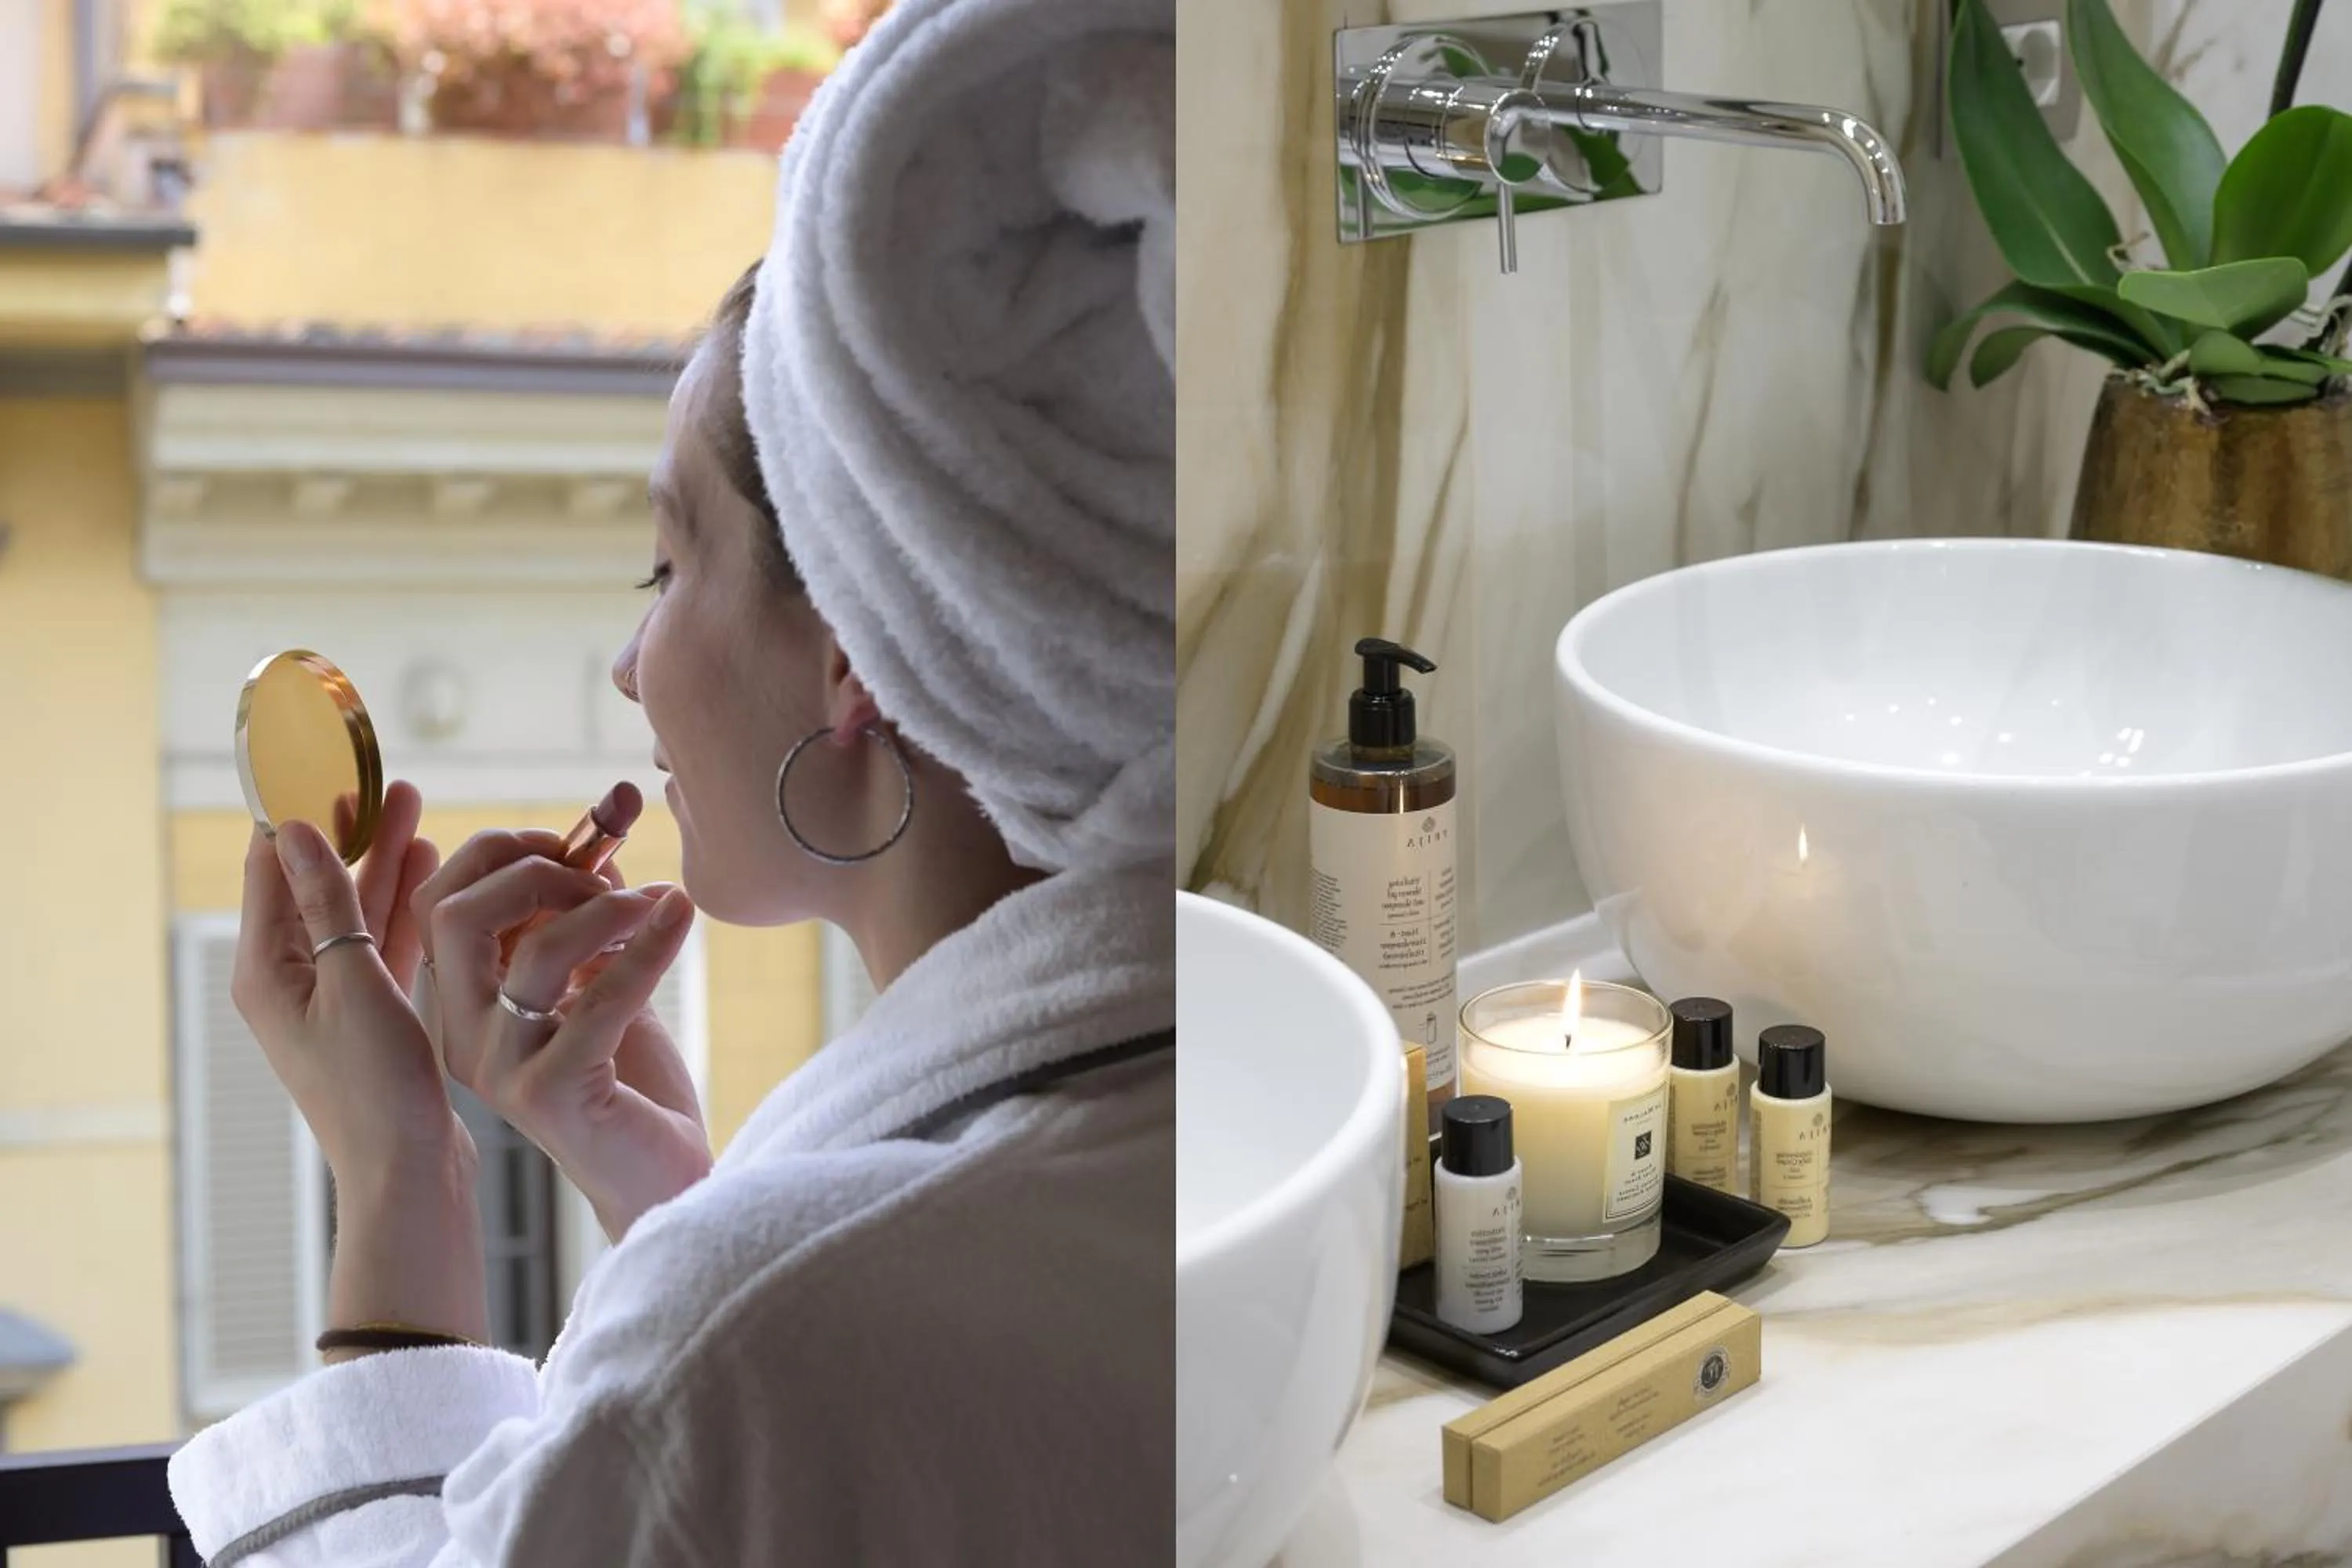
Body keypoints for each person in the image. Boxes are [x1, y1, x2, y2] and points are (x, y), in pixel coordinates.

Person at [166, 0, 1174, 1559]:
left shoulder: (743, 1346)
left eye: (666, 561)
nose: (634, 665)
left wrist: (401, 1173)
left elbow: (773, 1382)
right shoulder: (1216, 1091)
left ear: (854, 642)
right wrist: (683, 1201)